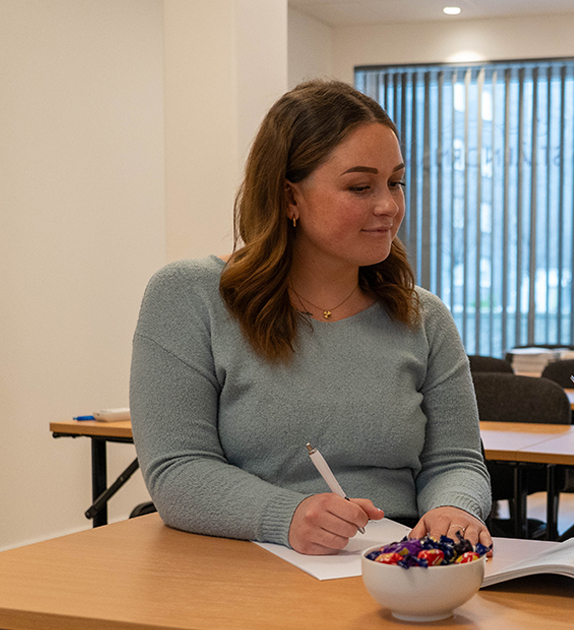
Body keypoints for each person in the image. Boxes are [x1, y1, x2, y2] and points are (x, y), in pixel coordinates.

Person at [131, 80, 492, 555]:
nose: (389, 205)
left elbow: (457, 461)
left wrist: (455, 507)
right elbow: (177, 470)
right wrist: (288, 516)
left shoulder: (424, 317)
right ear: (288, 198)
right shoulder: (188, 297)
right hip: (239, 562)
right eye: (360, 187)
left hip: (391, 565)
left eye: (396, 182)